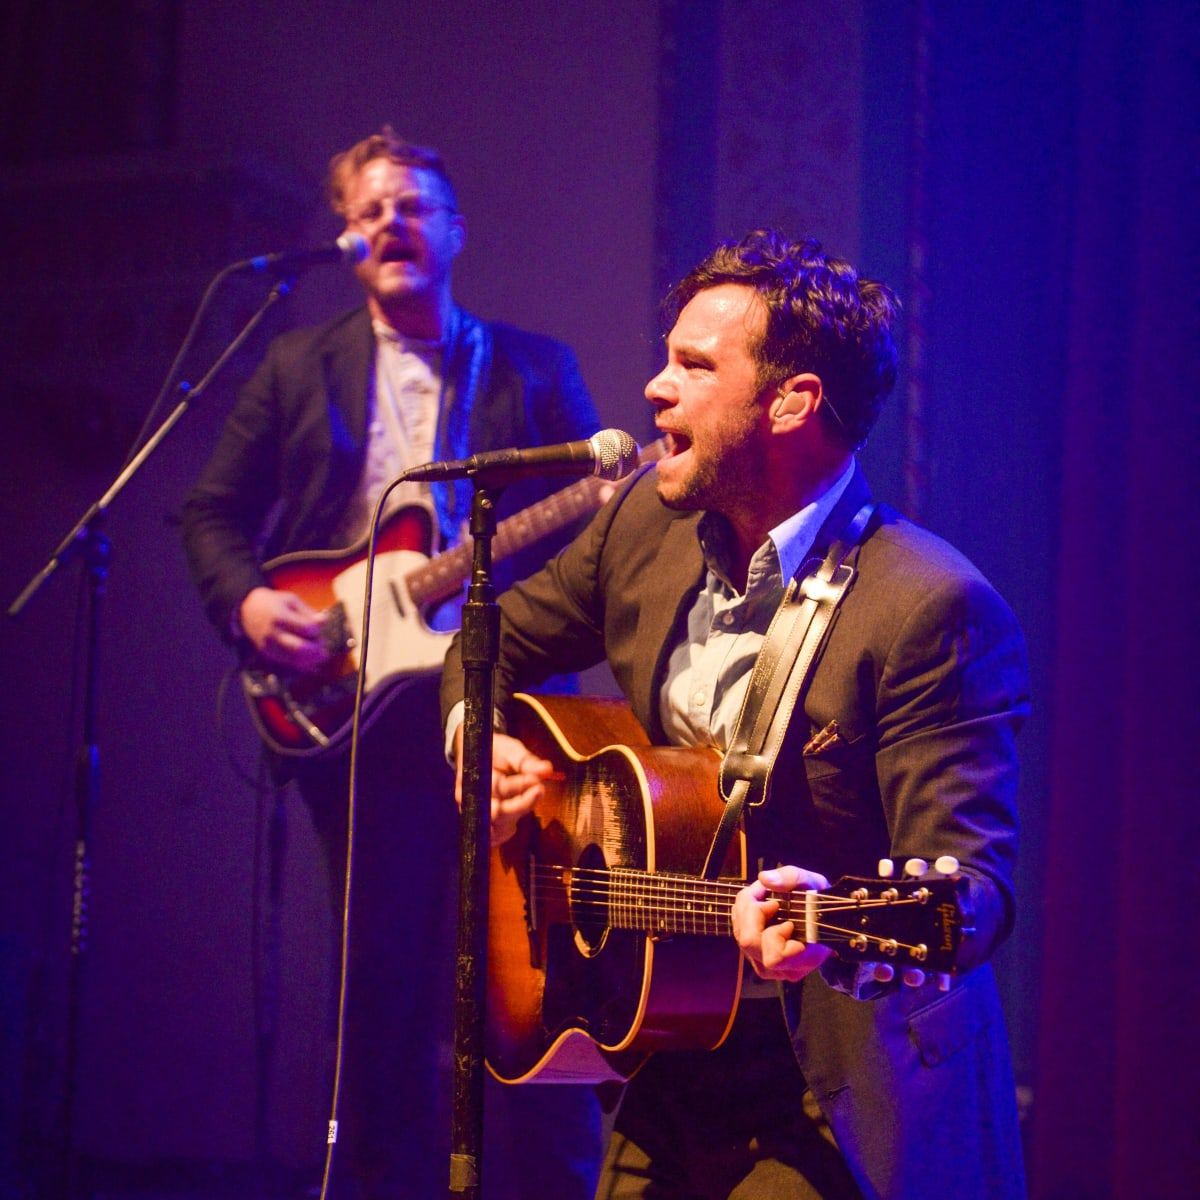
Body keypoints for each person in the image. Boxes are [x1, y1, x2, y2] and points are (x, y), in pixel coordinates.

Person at [441, 230, 1029, 1199]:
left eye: (692, 366)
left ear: (789, 402)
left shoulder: (927, 609)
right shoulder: (642, 524)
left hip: (829, 1081)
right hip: (663, 1043)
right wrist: (479, 741)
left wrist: (831, 928)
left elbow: (972, 897)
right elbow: (486, 642)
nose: (652, 391)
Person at [181, 128, 603, 1199]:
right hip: (347, 712)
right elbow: (212, 513)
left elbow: (608, 520)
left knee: (524, 981)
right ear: (344, 241)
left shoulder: (533, 367)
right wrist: (250, 600)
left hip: (501, 709)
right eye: (367, 212)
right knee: (381, 996)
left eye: (412, 205)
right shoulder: (295, 364)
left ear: (457, 231)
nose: (390, 225)